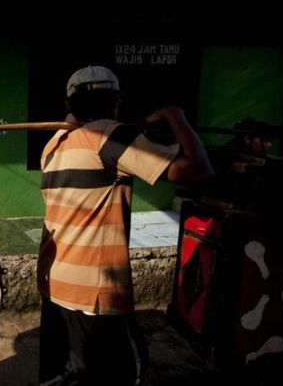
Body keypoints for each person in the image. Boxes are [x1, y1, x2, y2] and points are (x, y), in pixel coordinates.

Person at [37, 65, 214, 386]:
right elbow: (199, 170)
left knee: (63, 376)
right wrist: (176, 117)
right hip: (94, 291)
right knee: (121, 374)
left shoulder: (53, 146)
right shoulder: (110, 135)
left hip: (55, 282)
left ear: (69, 105)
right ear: (116, 100)